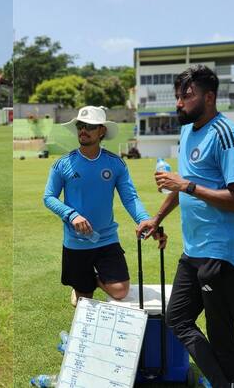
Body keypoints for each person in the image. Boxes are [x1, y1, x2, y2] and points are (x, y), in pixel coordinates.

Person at [136, 65, 234, 387]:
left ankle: (225, 381)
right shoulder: (189, 130)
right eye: (178, 96)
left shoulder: (227, 136)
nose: (179, 103)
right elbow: (182, 186)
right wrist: (156, 218)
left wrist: (186, 185)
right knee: (177, 318)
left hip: (226, 252)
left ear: (210, 96)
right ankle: (223, 381)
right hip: (196, 249)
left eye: (186, 96)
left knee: (220, 332)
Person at [43, 105, 165, 307]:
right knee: (84, 301)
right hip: (76, 242)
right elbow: (49, 197)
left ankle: (95, 279)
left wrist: (144, 220)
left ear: (102, 131)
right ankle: (82, 287)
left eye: (90, 126)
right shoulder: (62, 164)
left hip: (107, 239)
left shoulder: (115, 163)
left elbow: (130, 198)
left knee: (121, 290)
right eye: (80, 125)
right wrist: (71, 215)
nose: (83, 130)